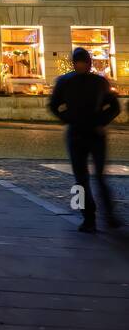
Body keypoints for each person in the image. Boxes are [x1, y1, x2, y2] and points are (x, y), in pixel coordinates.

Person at [49, 47, 121, 232]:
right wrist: (69, 119)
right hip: (80, 133)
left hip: (91, 133)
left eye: (83, 62)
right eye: (78, 62)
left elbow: (114, 107)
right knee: (82, 179)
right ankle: (88, 217)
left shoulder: (97, 82)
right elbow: (54, 105)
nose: (80, 65)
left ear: (87, 63)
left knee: (95, 177)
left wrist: (99, 122)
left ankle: (106, 215)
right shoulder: (69, 81)